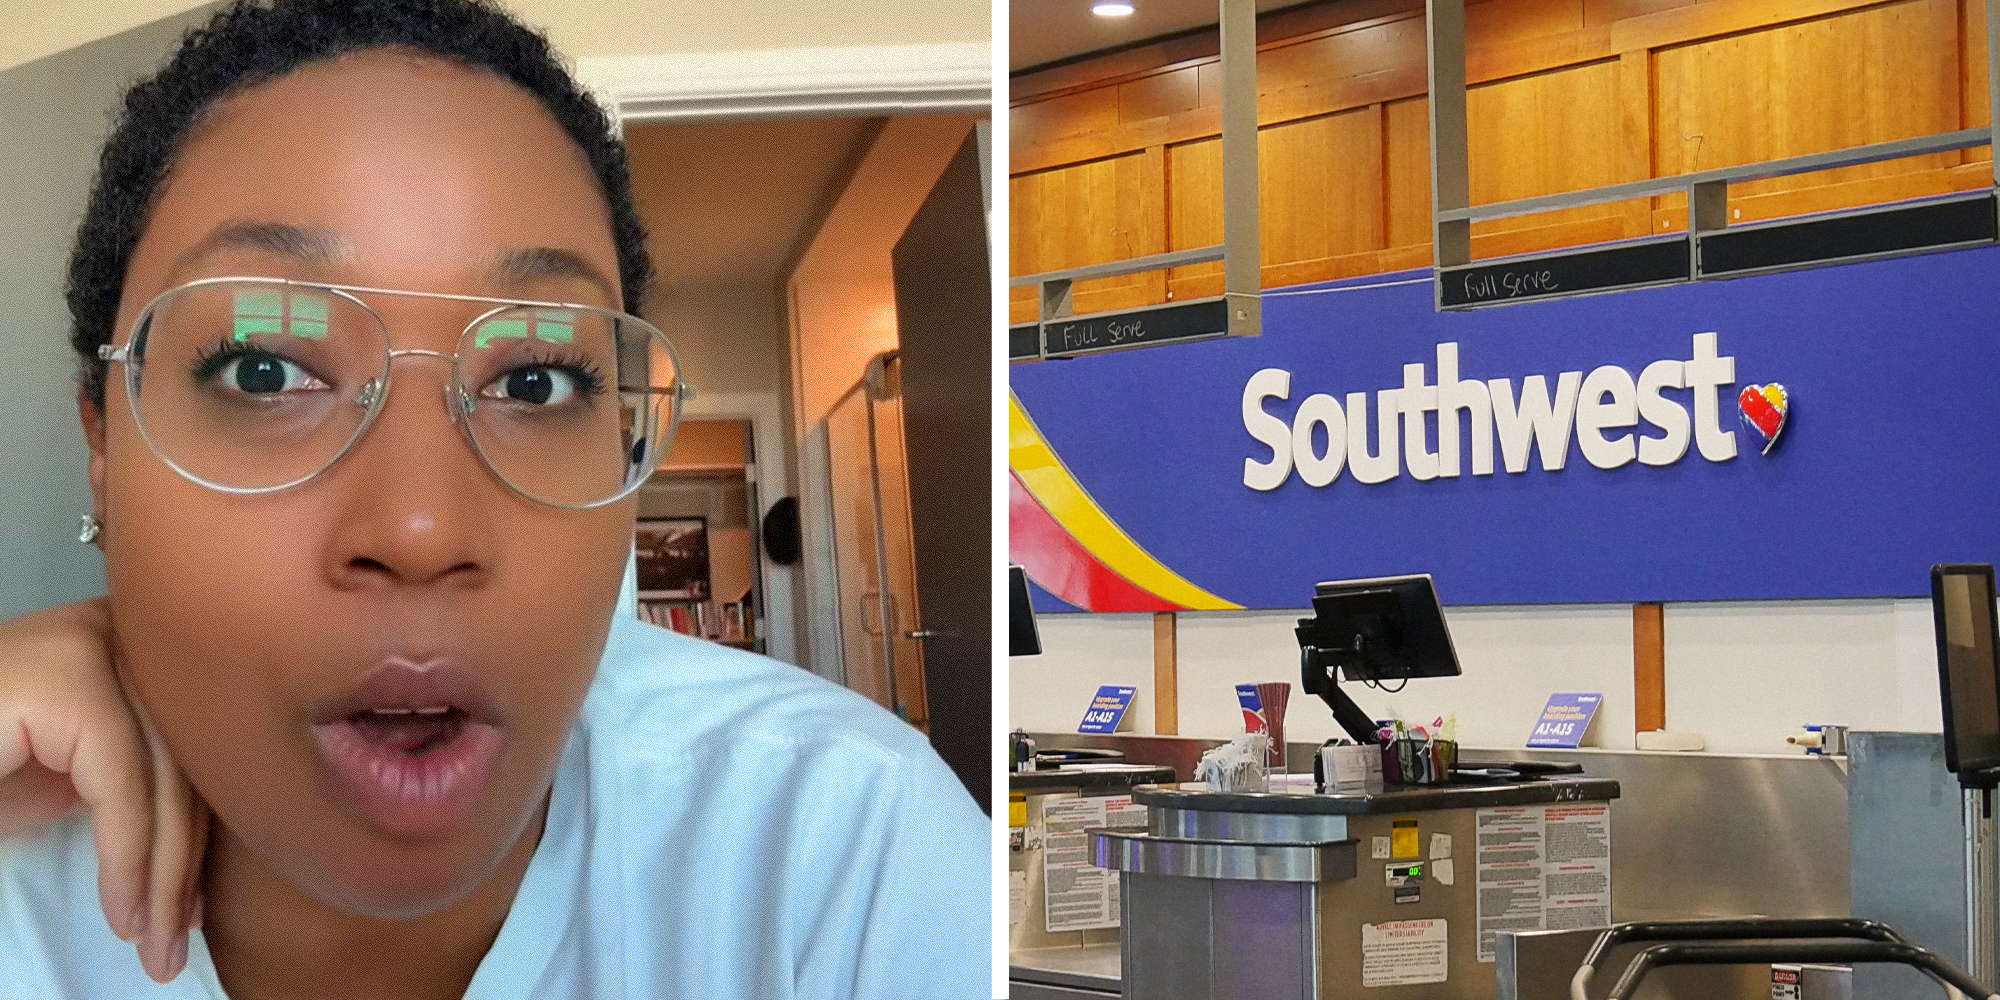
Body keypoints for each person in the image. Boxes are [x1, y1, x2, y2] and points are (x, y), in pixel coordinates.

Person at [0, 2, 991, 998]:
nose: (422, 529)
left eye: (534, 382)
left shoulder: (845, 850)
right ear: (102, 436)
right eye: (264, 369)